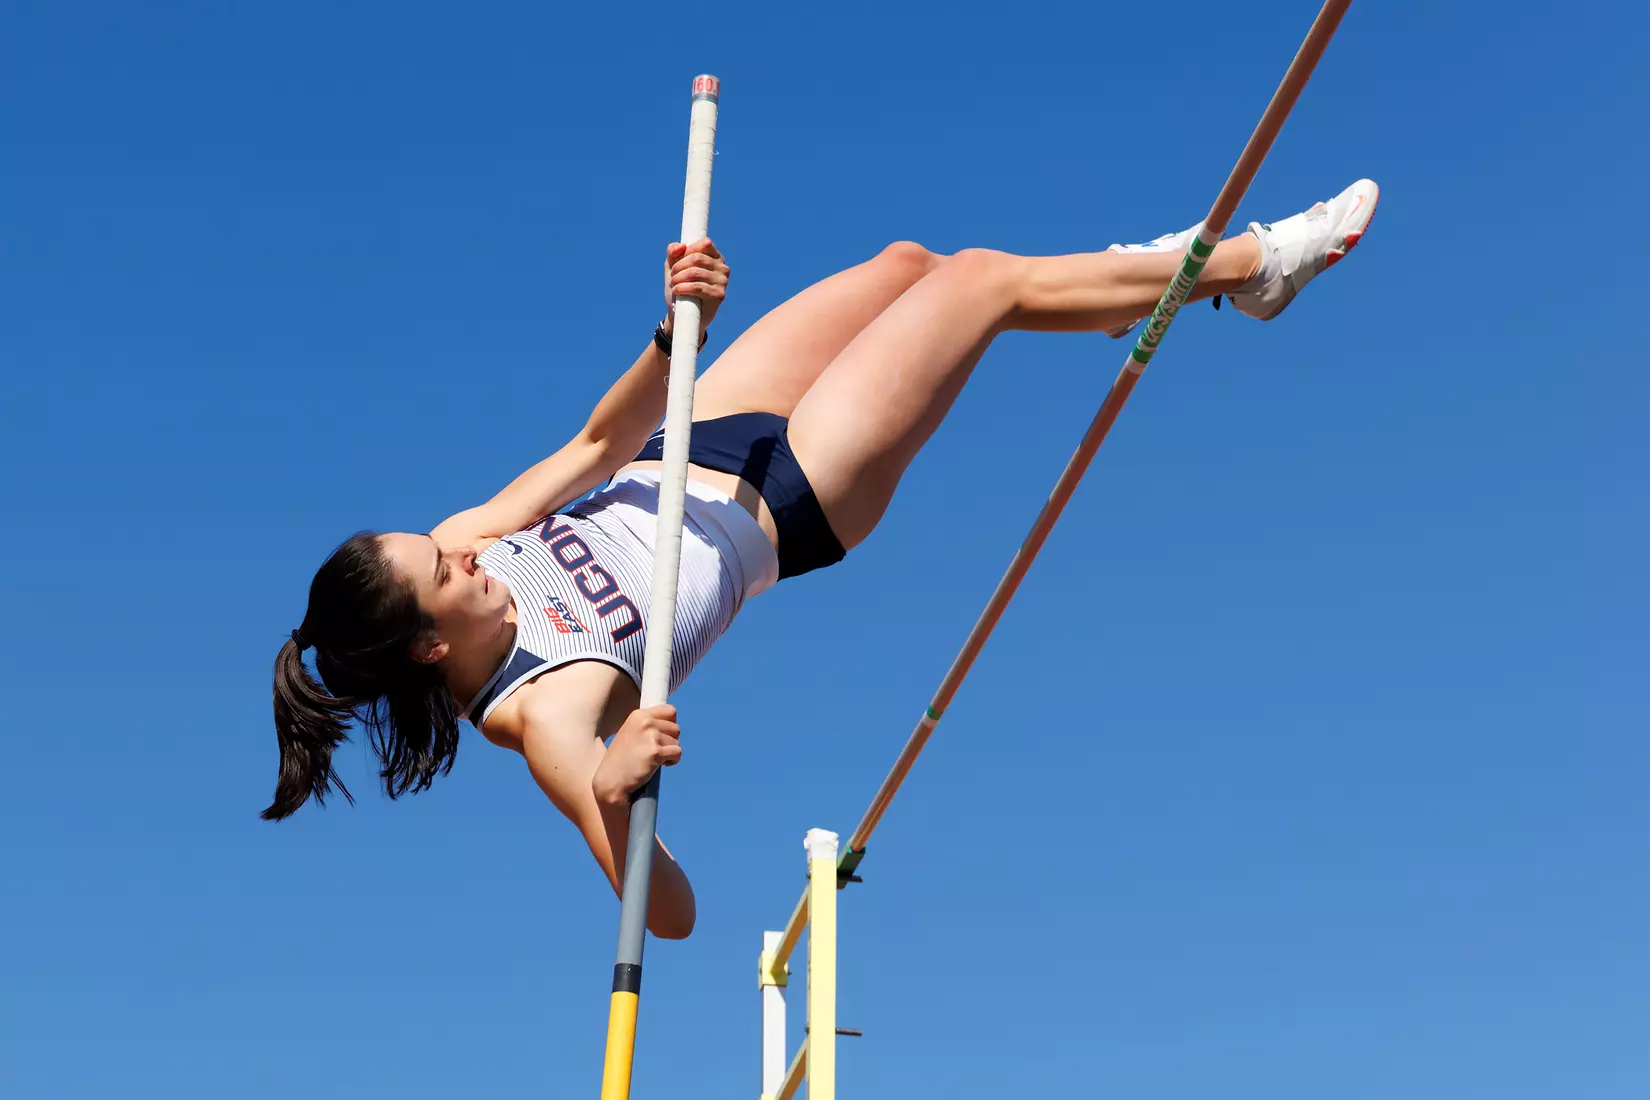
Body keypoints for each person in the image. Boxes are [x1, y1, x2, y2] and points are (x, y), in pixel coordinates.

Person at [268, 179, 1380, 938]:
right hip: (790, 501)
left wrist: (668, 336)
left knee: (910, 264)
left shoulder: (462, 541)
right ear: (428, 641)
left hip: (692, 434)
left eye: (442, 542)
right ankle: (1249, 269)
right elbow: (669, 912)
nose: (466, 554)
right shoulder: (539, 717)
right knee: (981, 284)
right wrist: (614, 790)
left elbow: (597, 445)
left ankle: (1116, 288)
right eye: (446, 574)